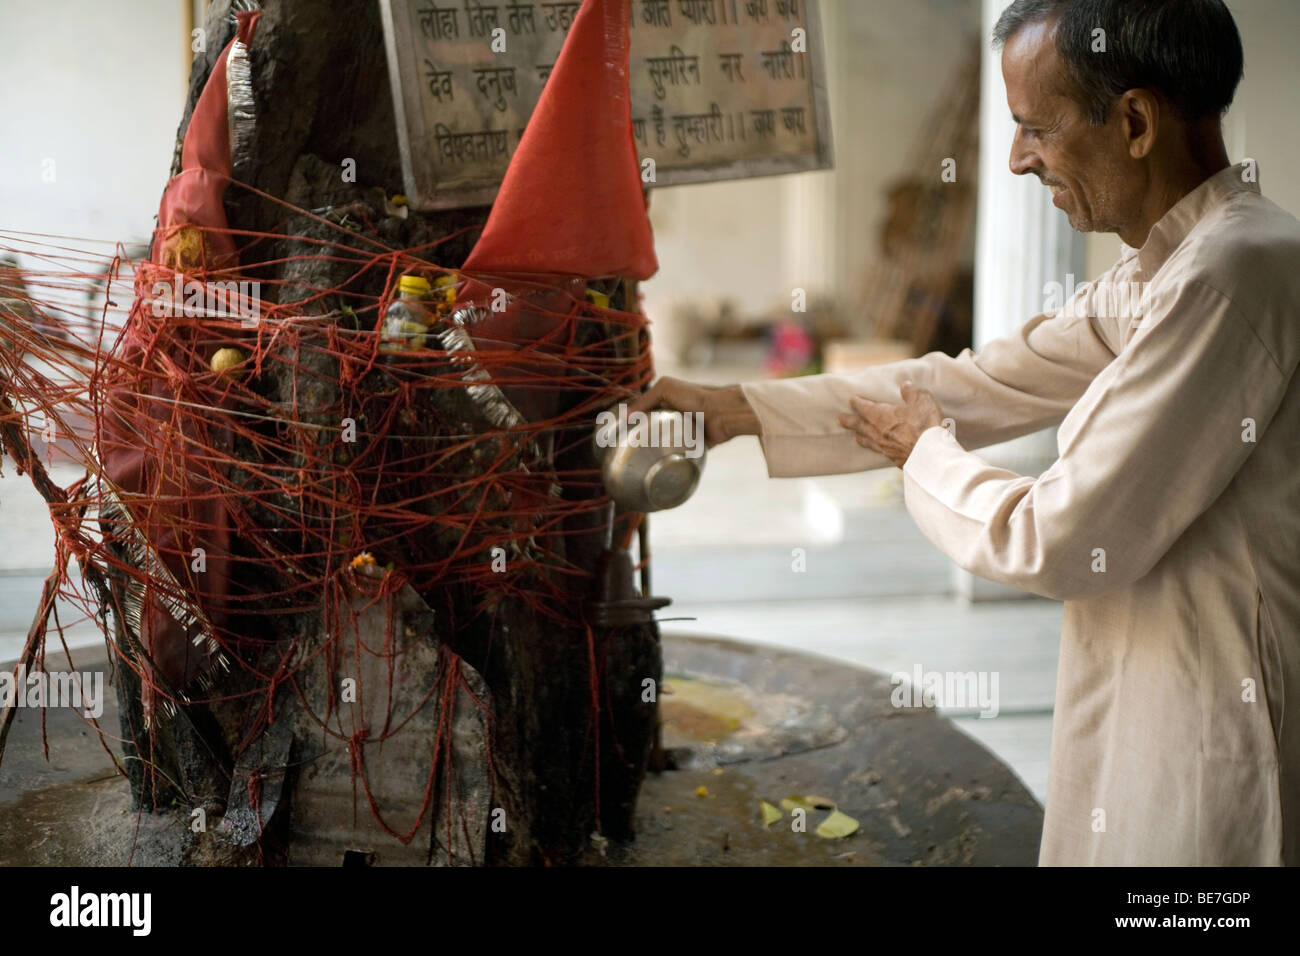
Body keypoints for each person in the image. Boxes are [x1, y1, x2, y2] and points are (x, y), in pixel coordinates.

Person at [629, 0, 1300, 866]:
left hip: (1215, 727)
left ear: (1134, 121)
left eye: (1034, 129)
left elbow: (1059, 536)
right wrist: (736, 411)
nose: (1018, 159)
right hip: (1160, 695)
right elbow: (974, 383)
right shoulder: (1167, 269)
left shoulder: (1230, 274)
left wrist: (925, 453)